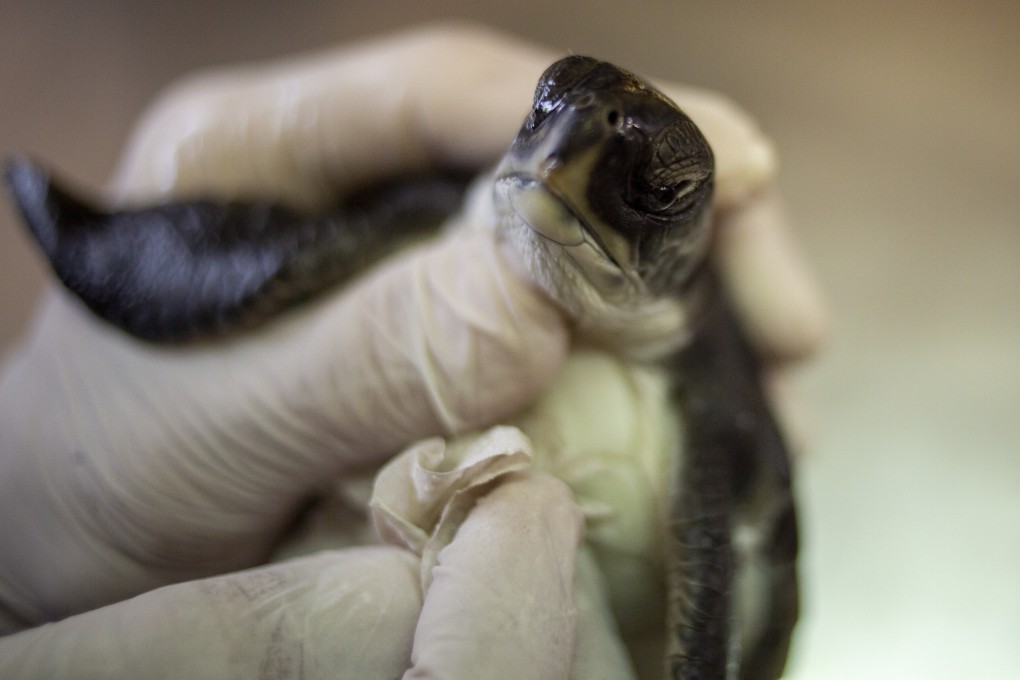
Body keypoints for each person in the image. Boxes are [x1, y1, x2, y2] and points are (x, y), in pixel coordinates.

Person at [0, 23, 826, 679]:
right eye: (548, 115)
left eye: (662, 187)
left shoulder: (706, 382)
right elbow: (245, 259)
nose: (565, 160)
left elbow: (749, 597)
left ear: (687, 230)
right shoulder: (441, 223)